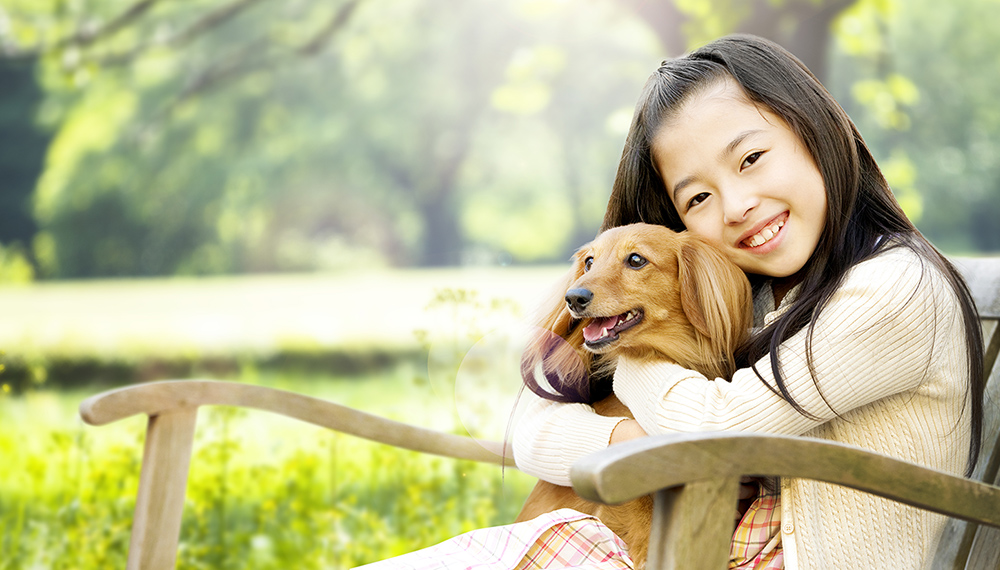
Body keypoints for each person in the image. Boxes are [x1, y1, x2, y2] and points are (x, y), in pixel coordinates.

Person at [357, 34, 984, 570]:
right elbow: (531, 420)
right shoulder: (755, 294)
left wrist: (623, 356)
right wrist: (626, 433)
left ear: (815, 133)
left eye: (752, 158)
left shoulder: (897, 289)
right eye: (697, 199)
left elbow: (716, 429)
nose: (736, 205)